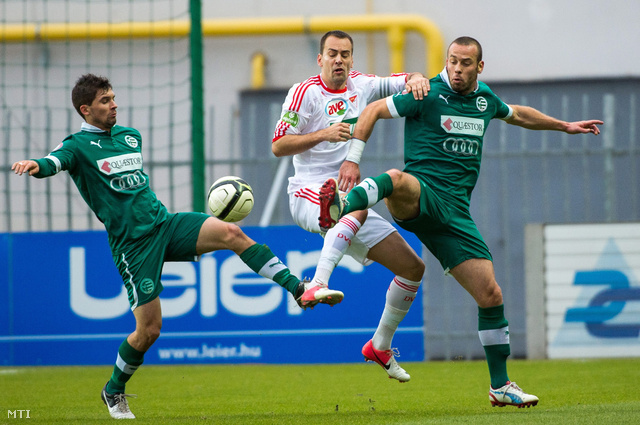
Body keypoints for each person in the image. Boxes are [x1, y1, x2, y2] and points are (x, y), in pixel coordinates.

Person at [318, 36, 603, 407]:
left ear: (479, 67)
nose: (456, 68)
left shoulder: (484, 100)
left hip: (454, 214)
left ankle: (500, 387)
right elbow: (371, 110)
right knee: (396, 178)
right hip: (421, 195)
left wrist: (564, 126)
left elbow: (517, 113)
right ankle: (342, 204)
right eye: (452, 60)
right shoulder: (427, 93)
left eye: (465, 63)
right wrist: (353, 160)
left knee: (490, 294)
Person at [11, 74, 308, 419]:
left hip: (164, 224)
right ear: (85, 109)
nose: (114, 104)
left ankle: (297, 287)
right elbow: (55, 161)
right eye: (105, 101)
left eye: (113, 98)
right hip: (132, 246)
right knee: (149, 330)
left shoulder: (130, 136)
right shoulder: (77, 146)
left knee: (232, 233)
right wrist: (36, 166)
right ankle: (113, 390)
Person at [272, 30, 427, 382]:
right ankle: (317, 283)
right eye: (332, 53)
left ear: (352, 60)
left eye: (345, 54)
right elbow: (279, 145)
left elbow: (403, 80)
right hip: (307, 192)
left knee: (412, 268)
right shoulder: (304, 92)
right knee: (352, 204)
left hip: (344, 199)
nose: (338, 60)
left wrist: (417, 78)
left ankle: (380, 346)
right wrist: (324, 134)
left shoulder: (363, 85)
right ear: (320, 59)